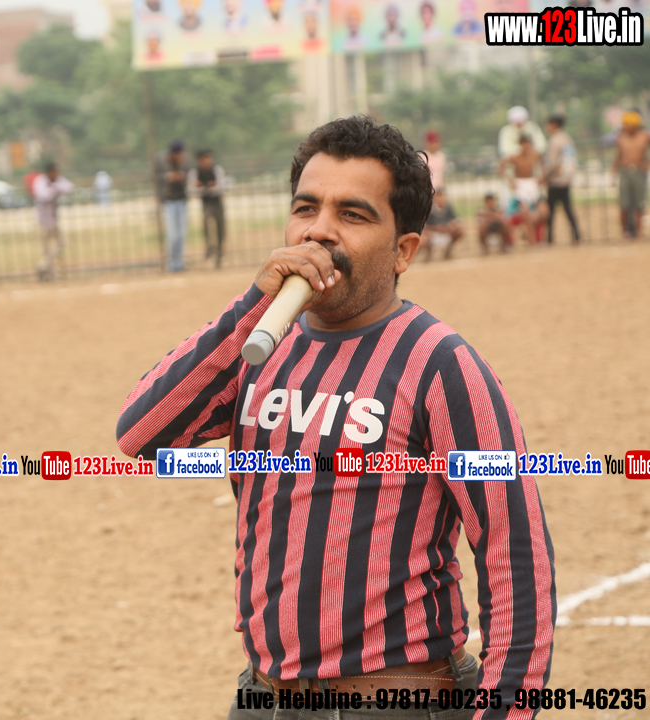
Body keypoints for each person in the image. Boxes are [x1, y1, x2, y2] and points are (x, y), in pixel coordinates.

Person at [117, 117, 555, 720]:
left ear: (403, 251)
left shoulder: (441, 366)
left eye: (352, 214)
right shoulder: (260, 346)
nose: (318, 230)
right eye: (306, 208)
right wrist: (253, 307)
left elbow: (515, 554)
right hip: (265, 699)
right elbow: (141, 436)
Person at [499, 135, 548, 244]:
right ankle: (532, 240)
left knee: (543, 211)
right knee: (525, 211)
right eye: (523, 143)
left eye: (527, 143)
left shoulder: (535, 154)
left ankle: (536, 235)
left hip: (532, 183)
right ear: (520, 144)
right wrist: (510, 180)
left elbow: (545, 164)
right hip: (520, 184)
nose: (525, 146)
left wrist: (542, 178)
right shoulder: (515, 156)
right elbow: (501, 167)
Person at [32, 161, 74, 282]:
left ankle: (42, 266)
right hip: (42, 221)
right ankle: (50, 275)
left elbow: (70, 187)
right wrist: (55, 188)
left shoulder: (57, 181)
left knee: (61, 245)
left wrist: (55, 186)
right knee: (45, 249)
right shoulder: (40, 181)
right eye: (55, 171)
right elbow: (44, 196)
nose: (57, 174)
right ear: (49, 172)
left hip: (53, 221)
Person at [542, 114, 580, 245]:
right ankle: (576, 236)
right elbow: (571, 158)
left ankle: (549, 238)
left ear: (554, 125)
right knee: (568, 208)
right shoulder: (567, 138)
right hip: (566, 179)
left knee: (551, 211)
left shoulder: (554, 140)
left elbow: (552, 163)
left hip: (555, 180)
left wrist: (544, 176)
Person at [188, 149, 227, 268]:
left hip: (217, 201)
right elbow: (192, 188)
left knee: (220, 227)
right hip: (206, 202)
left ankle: (219, 251)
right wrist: (203, 187)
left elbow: (221, 186)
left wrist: (210, 187)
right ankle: (209, 247)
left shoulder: (216, 170)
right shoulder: (195, 172)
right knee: (206, 223)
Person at [613, 110, 649, 239]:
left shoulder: (644, 136)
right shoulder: (621, 137)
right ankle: (625, 231)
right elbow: (618, 155)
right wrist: (613, 172)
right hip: (625, 171)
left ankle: (638, 232)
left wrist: (646, 163)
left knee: (639, 203)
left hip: (639, 171)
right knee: (624, 204)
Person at [155, 140, 190, 272]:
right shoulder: (163, 161)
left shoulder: (184, 162)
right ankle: (171, 262)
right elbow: (156, 177)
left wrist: (181, 175)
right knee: (173, 234)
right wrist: (168, 176)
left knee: (181, 234)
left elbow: (189, 175)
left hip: (181, 199)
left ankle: (179, 262)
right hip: (169, 201)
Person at [421, 186, 463, 261]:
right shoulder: (430, 209)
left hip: (446, 232)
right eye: (439, 196)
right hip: (433, 234)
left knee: (459, 230)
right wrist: (436, 229)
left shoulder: (448, 208)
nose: (441, 198)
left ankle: (448, 251)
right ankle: (429, 253)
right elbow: (424, 225)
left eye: (442, 196)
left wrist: (450, 226)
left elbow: (457, 220)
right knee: (425, 235)